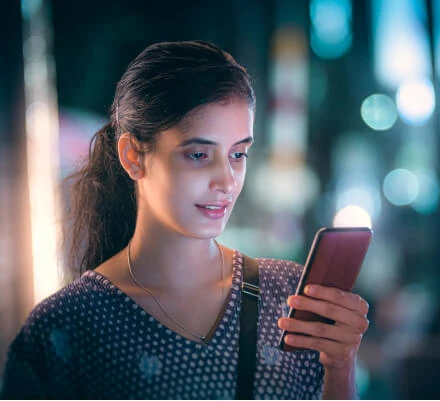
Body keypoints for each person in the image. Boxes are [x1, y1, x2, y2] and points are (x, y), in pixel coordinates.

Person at [0, 40, 369, 399]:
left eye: (238, 154)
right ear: (133, 156)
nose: (226, 181)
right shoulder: (67, 327)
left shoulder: (291, 300)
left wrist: (342, 365)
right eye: (198, 155)